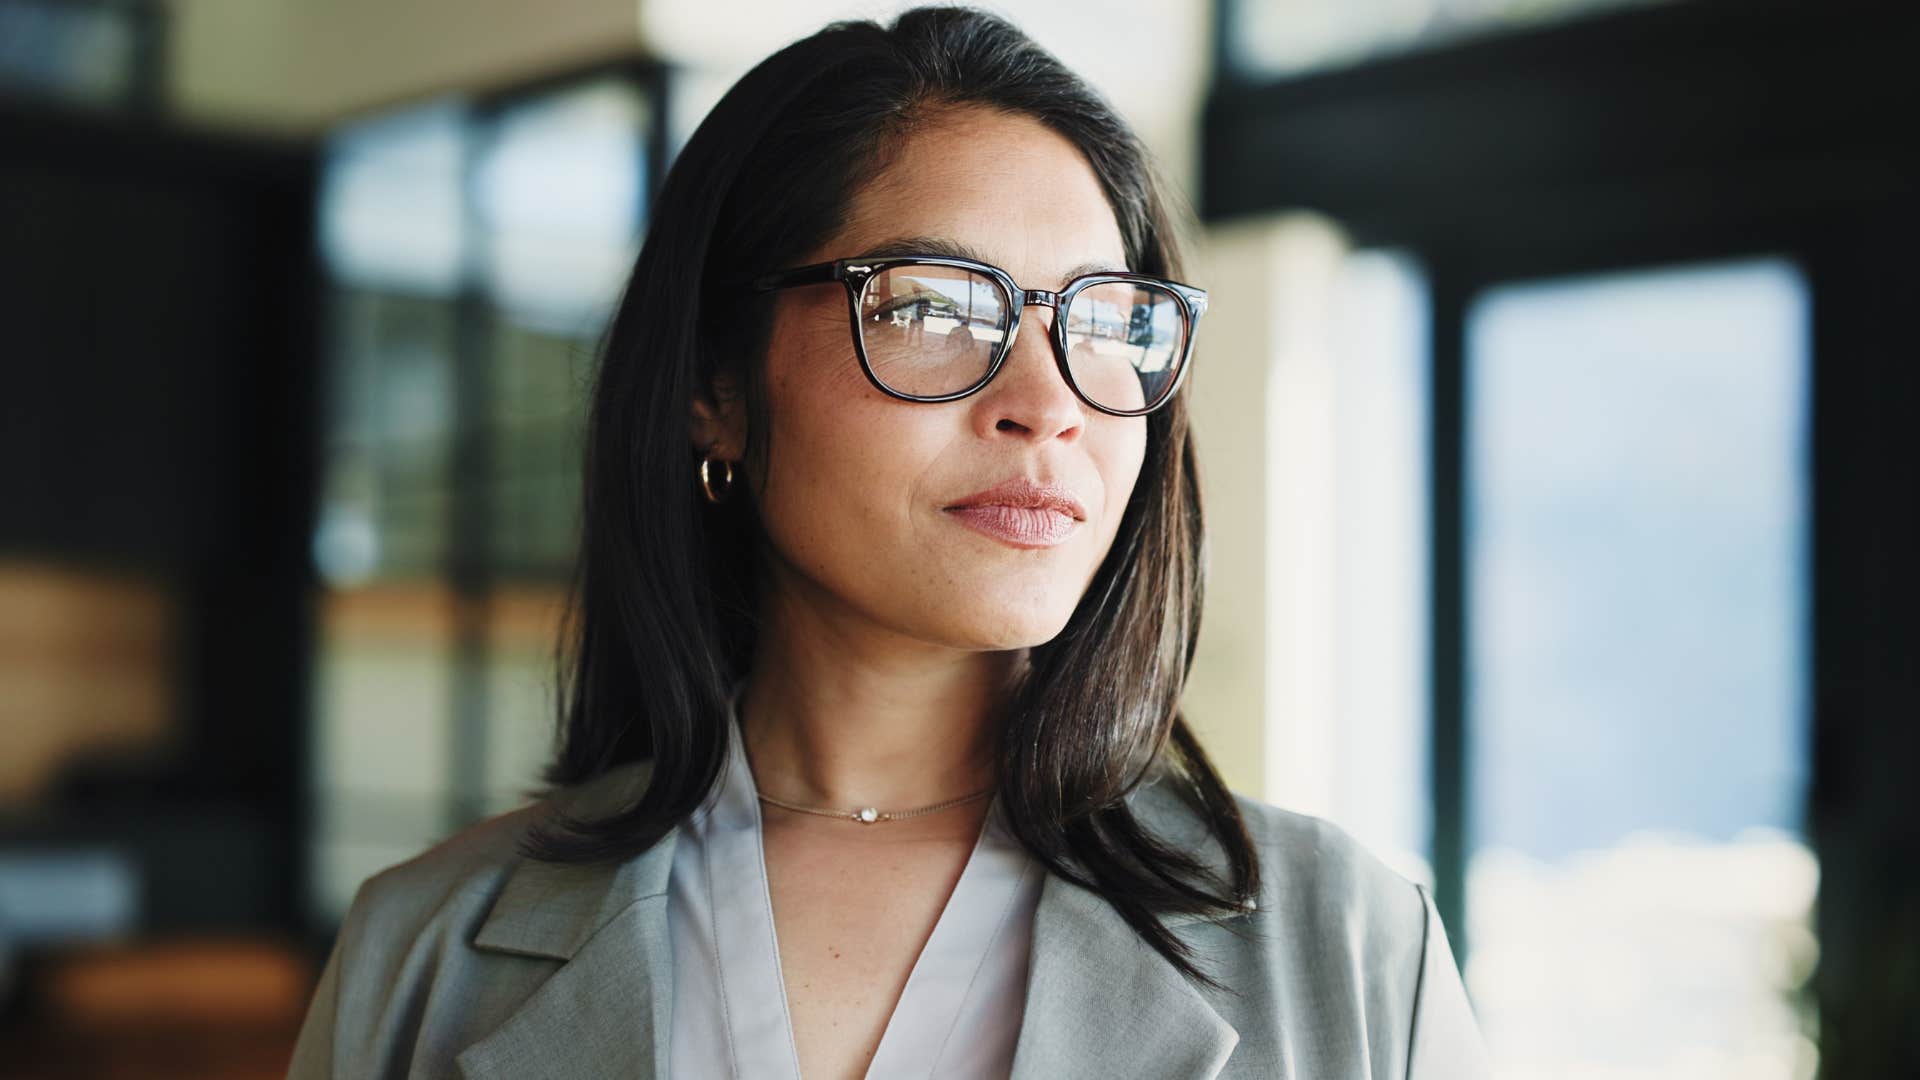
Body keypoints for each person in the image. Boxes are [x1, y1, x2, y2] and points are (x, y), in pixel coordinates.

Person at [287, 7, 1491, 1079]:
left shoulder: (1353, 951)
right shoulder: (426, 952)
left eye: (1106, 319)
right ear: (716, 382)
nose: (1050, 400)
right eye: (930, 305)